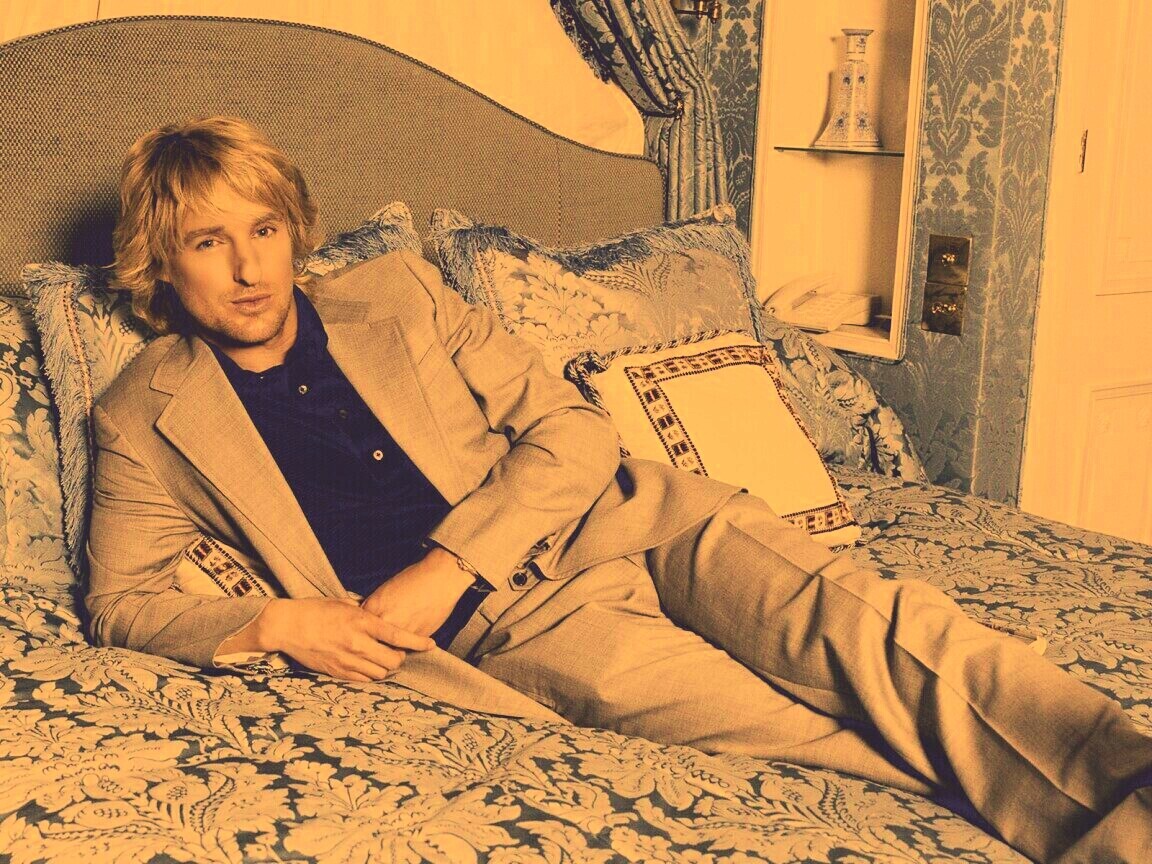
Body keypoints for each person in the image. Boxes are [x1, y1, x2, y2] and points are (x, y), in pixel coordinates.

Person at [87, 116, 1150, 864]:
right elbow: (121, 602)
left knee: (888, 631)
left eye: (264, 230)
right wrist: (278, 624)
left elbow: (572, 427)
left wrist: (450, 560)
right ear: (160, 266)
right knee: (814, 740)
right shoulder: (146, 413)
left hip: (642, 521)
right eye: (209, 243)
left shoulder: (399, 292)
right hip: (530, 631)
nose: (250, 269)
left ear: (295, 230)